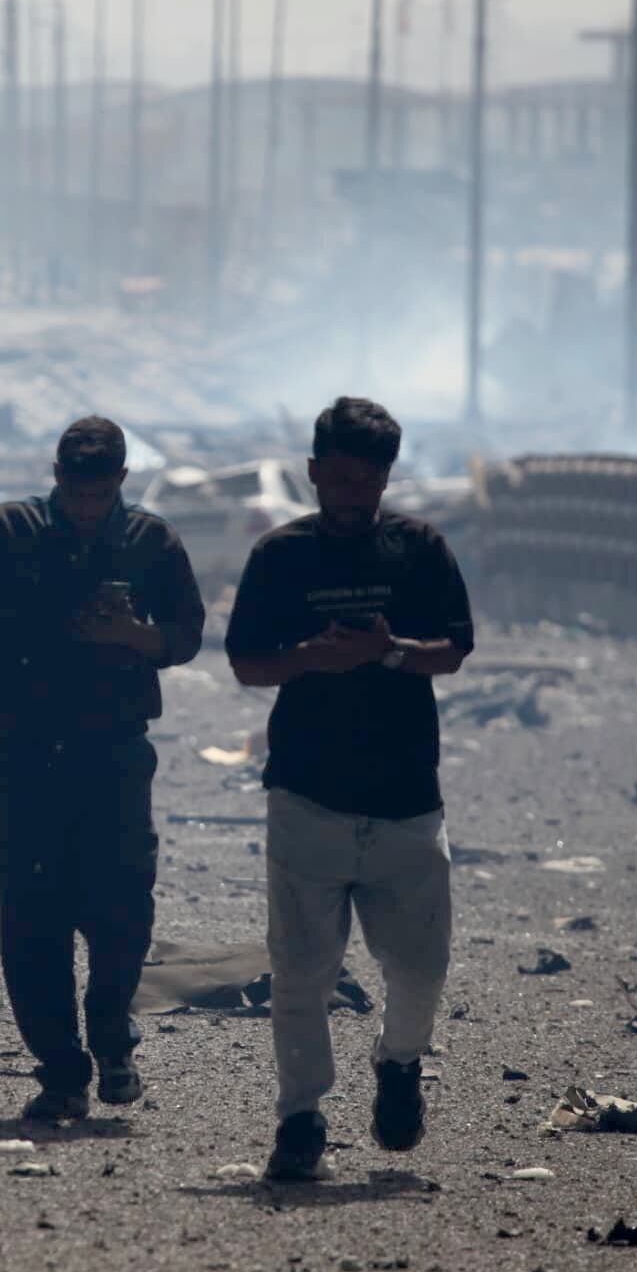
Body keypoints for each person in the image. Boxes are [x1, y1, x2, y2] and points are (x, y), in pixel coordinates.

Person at [0, 417, 205, 1124]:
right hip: (30, 755)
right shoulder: (12, 530)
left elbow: (187, 634)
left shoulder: (151, 542)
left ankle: (112, 1040)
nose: (85, 508)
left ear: (121, 482)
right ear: (56, 477)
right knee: (33, 918)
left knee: (123, 906)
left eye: (98, 496)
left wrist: (135, 636)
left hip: (116, 754)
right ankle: (62, 1071)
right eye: (74, 492)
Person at [225, 397, 473, 1181]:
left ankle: (399, 1062)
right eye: (337, 476)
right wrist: (312, 658)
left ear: (386, 477)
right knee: (301, 971)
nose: (351, 492)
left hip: (405, 794)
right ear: (312, 474)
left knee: (420, 966)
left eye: (367, 478)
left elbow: (454, 650)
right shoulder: (280, 556)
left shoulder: (420, 548)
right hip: (306, 791)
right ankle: (300, 1119)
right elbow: (245, 663)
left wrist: (389, 650)